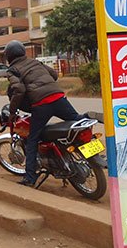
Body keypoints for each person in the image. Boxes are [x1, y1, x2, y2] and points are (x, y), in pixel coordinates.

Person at [4, 40, 80, 187]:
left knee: (33, 139)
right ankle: (89, 124)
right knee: (77, 122)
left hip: (41, 104)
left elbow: (19, 90)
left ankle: (30, 178)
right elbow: (54, 75)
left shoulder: (12, 70)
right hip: (58, 97)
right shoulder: (35, 62)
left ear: (9, 56)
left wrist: (13, 111)